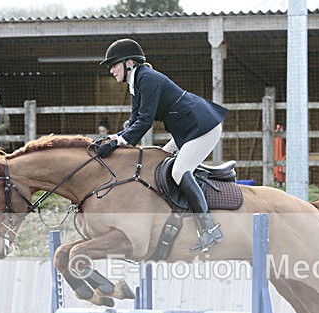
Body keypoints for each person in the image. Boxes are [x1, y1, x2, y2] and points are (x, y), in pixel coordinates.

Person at [97, 38, 227, 253]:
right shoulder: (137, 82)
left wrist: (118, 141)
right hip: (186, 129)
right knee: (157, 160)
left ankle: (209, 229)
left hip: (203, 126)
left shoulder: (147, 78)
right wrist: (114, 139)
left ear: (129, 63)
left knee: (179, 171)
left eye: (114, 65)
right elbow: (134, 120)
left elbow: (145, 121)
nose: (111, 70)